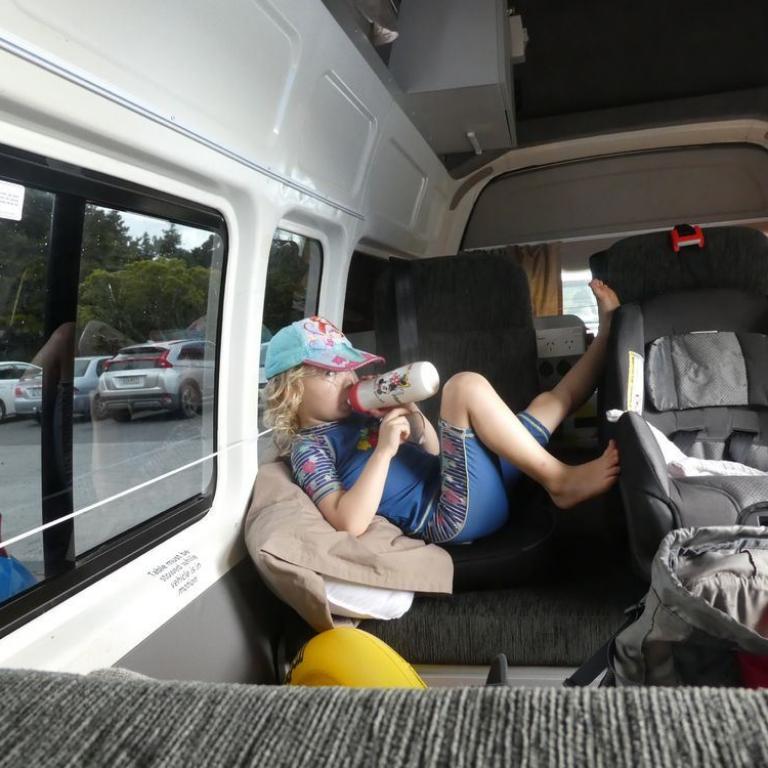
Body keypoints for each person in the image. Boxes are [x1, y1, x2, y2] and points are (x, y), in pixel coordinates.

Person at [263, 280, 620, 544]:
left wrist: (411, 414)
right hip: (450, 514)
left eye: (349, 368)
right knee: (463, 387)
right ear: (291, 391)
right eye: (330, 372)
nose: (348, 379)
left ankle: (606, 336)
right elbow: (349, 522)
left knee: (548, 403)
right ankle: (559, 481)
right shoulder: (309, 449)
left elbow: (434, 450)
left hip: (461, 482)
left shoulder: (360, 415)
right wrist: (384, 451)